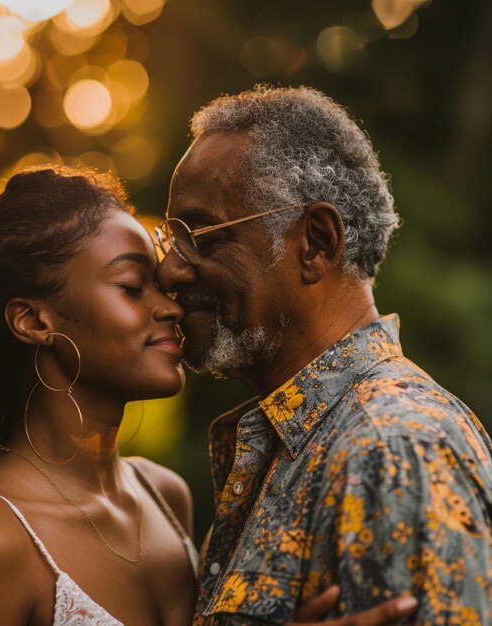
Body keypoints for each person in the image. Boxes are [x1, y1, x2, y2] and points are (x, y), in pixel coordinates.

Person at [0, 165, 415, 626]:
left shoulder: (166, 497)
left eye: (163, 286)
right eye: (134, 288)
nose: (173, 308)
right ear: (33, 320)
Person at [155, 86, 492, 625]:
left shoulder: (391, 451)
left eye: (200, 235)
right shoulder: (298, 444)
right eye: (168, 239)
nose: (169, 270)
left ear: (314, 242)